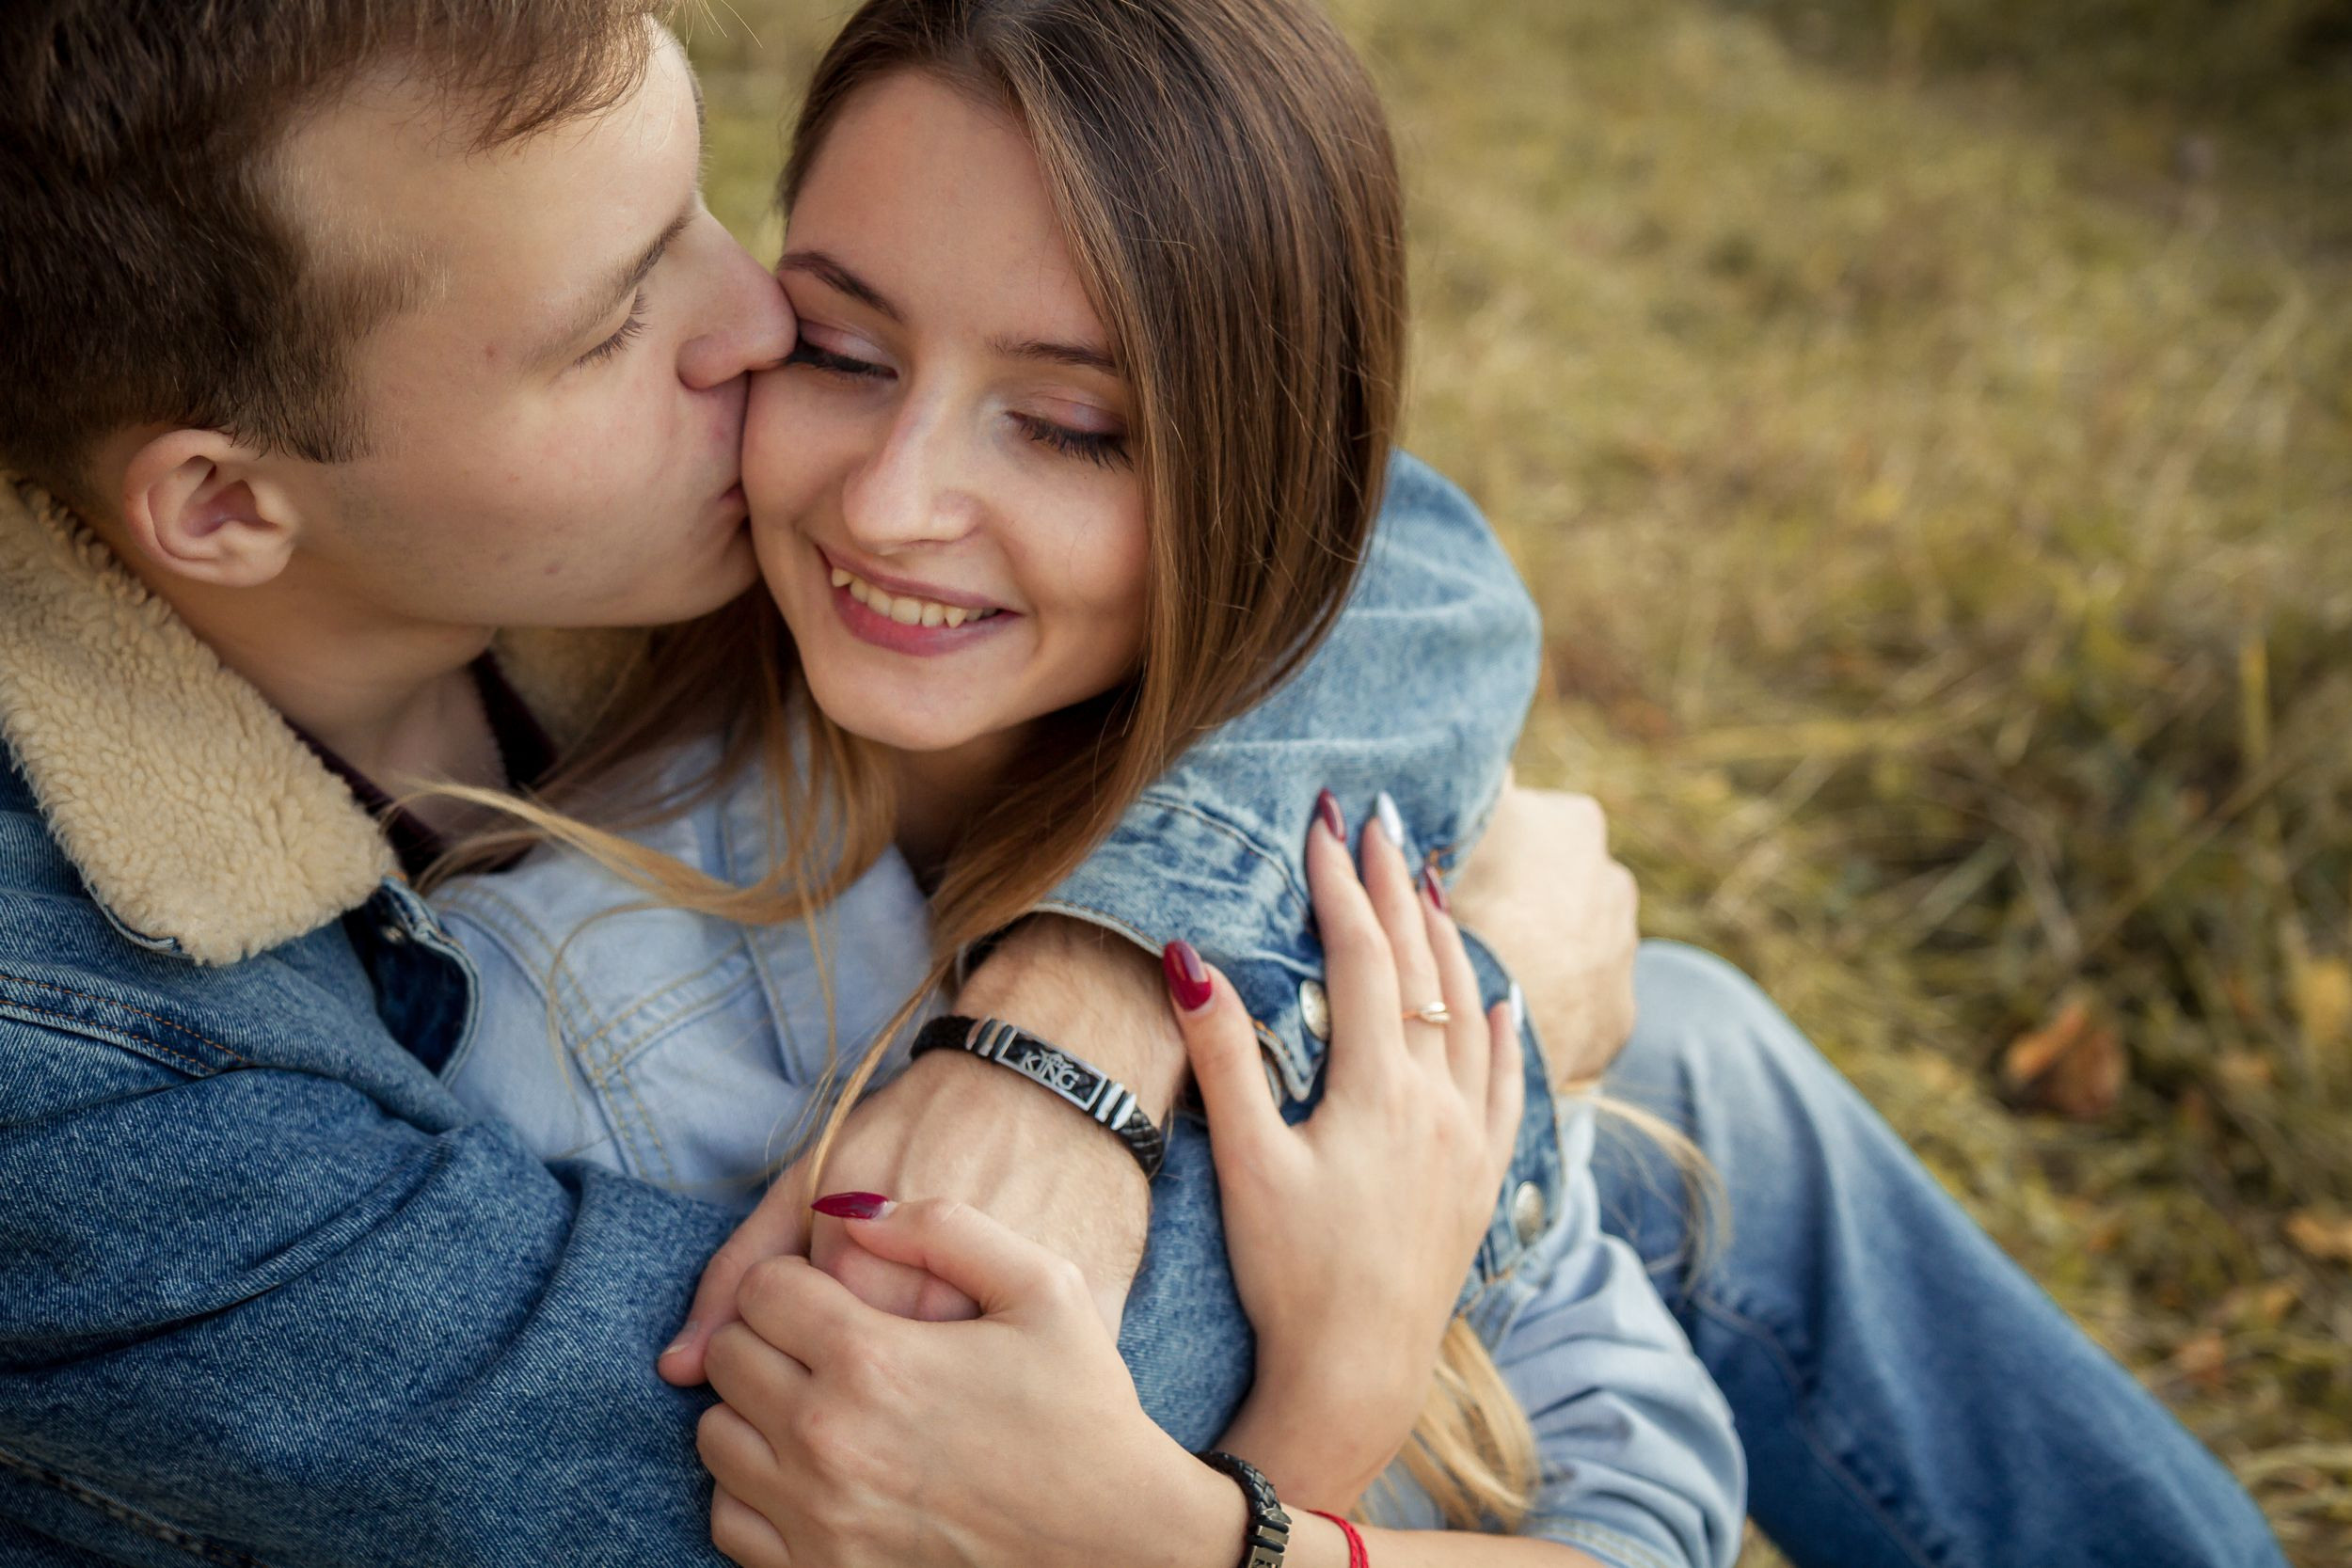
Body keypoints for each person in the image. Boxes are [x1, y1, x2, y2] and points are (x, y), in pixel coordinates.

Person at [0, 2, 2285, 1566]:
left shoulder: (671, 551)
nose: (745, 338)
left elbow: (1370, 533)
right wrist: (1451, 1042)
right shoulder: (130, 1057)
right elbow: (823, 1478)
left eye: (728, 232)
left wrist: (1084, 1012)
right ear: (220, 500)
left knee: (1699, 1064)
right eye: (617, 323)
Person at [428, 4, 1744, 1562]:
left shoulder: (1317, 834)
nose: (895, 500)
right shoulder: (580, 1031)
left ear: (1261, 478)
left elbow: (1653, 1503)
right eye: (843, 350)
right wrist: (1323, 1415)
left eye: (1068, 425)